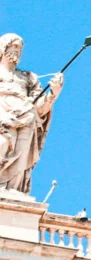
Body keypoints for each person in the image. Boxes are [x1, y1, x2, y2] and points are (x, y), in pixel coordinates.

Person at [0, 33, 63, 195]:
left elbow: (39, 106)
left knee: (21, 155)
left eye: (20, 48)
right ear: (3, 48)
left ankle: (13, 189)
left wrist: (53, 94)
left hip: (26, 119)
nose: (17, 51)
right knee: (2, 145)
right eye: (14, 47)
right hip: (3, 117)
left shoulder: (28, 78)